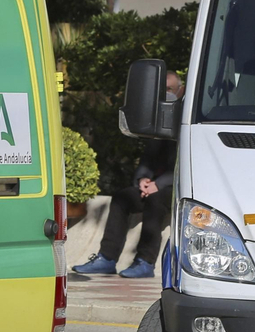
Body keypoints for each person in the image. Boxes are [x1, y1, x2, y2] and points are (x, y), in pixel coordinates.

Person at [71, 71, 184, 279]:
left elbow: (184, 165)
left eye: (169, 90)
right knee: (122, 198)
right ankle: (107, 258)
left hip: (176, 189)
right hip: (154, 186)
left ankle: (144, 262)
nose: (165, 95)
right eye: (162, 91)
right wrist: (142, 180)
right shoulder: (157, 123)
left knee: (156, 200)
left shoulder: (186, 123)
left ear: (180, 91)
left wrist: (158, 184)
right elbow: (148, 158)